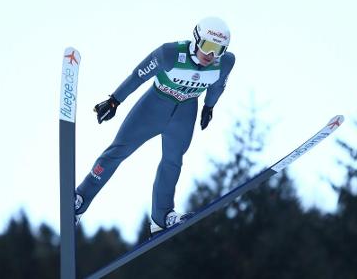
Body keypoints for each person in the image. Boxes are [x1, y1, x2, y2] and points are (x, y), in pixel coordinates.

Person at [74, 17, 236, 235]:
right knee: (118, 151)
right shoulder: (169, 54)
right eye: (207, 46)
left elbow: (218, 86)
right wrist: (114, 101)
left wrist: (209, 107)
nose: (211, 55)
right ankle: (81, 198)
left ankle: (162, 216)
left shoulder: (225, 62)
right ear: (196, 39)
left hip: (185, 113)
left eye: (218, 50)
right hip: (153, 107)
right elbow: (137, 76)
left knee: (173, 162)